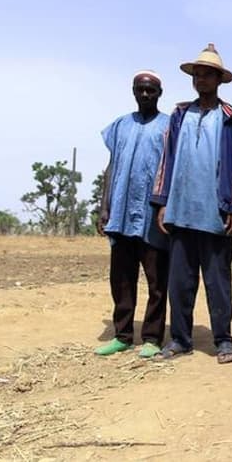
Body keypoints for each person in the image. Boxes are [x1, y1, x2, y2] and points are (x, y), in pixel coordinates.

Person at [151, 44, 232, 364]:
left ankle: (223, 339)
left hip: (214, 212)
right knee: (180, 281)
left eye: (208, 74)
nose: (201, 79)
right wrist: (161, 202)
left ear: (219, 79)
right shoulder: (179, 114)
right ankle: (180, 338)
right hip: (181, 210)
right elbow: (166, 159)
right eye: (197, 74)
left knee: (218, 281)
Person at [95, 70, 170, 359]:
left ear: (159, 94)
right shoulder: (120, 126)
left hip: (152, 216)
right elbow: (111, 168)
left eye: (151, 90)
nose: (145, 95)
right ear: (134, 91)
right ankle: (123, 335)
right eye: (141, 90)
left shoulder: (168, 126)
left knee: (156, 281)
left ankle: (152, 337)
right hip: (122, 214)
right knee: (122, 279)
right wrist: (104, 207)